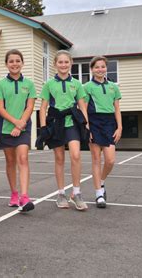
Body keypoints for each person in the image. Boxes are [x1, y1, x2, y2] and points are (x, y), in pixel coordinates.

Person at [39, 50, 89, 211]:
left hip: (72, 122)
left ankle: (77, 193)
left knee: (75, 155)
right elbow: (43, 107)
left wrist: (86, 124)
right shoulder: (49, 84)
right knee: (59, 158)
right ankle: (61, 194)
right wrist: (43, 128)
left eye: (66, 62)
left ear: (71, 63)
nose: (63, 65)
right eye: (60, 62)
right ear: (55, 64)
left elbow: (82, 105)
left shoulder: (77, 83)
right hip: (55, 123)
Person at [0, 49, 36, 212]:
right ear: (6, 64)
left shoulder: (29, 84)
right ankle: (14, 194)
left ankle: (25, 196)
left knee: (23, 159)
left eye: (18, 61)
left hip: (23, 128)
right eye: (11, 61)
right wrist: (15, 123)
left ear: (22, 63)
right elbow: (0, 108)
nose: (15, 64)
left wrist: (21, 124)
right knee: (10, 162)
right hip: (6, 128)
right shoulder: (0, 85)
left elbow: (30, 106)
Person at [84, 56, 122, 208]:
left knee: (110, 160)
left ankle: (101, 181)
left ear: (106, 68)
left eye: (102, 66)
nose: (100, 69)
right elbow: (84, 109)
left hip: (109, 123)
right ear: (92, 69)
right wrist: (87, 127)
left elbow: (117, 109)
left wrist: (119, 127)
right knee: (95, 159)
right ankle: (99, 194)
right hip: (93, 122)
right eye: (97, 67)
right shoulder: (87, 87)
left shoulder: (114, 87)